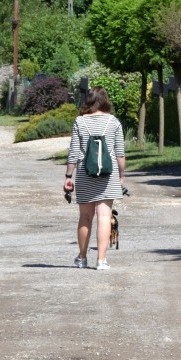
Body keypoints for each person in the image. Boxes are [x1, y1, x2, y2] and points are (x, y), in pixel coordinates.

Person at [63, 87, 125, 270]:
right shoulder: (114, 122)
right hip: (109, 173)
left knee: (85, 216)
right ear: (105, 100)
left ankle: (82, 258)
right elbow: (120, 153)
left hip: (85, 172)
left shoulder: (80, 122)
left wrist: (68, 176)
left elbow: (74, 152)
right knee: (104, 215)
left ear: (88, 101)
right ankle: (101, 260)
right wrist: (122, 175)